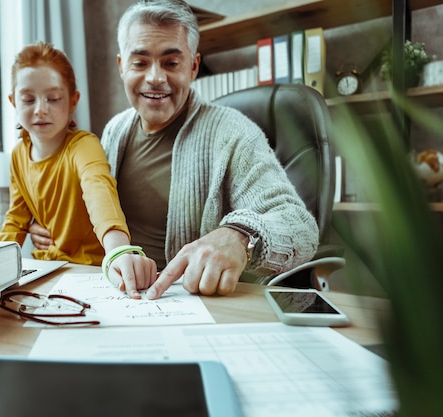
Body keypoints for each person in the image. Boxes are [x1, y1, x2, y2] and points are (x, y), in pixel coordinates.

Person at [29, 0, 319, 299]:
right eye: (140, 63)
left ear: (193, 66)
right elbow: (97, 206)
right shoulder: (115, 130)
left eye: (171, 63)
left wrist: (241, 237)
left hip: (198, 304)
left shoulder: (232, 132)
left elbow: (301, 227)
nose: (155, 77)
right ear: (121, 66)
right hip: (120, 296)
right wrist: (54, 222)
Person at [0, 41, 156, 299]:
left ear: (73, 102)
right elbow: (16, 219)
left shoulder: (83, 146)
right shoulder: (18, 155)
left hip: (90, 269)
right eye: (28, 99)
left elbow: (99, 192)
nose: (40, 109)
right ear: (14, 102)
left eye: (53, 98)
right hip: (48, 268)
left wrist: (118, 249)